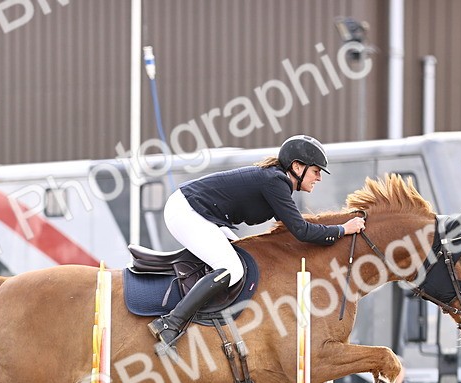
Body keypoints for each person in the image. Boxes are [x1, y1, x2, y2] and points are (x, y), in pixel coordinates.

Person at [148, 134, 367, 351]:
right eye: (316, 171)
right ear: (297, 167)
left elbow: (293, 231)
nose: (318, 178)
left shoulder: (277, 181)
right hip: (186, 211)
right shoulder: (276, 182)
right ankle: (171, 323)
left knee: (245, 258)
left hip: (199, 211)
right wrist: (343, 229)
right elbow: (301, 230)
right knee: (232, 269)